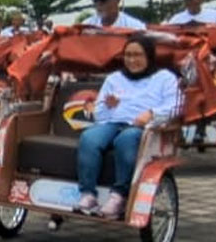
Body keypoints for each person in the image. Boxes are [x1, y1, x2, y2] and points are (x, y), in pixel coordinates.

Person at [76, 35, 180, 218]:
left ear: (149, 56)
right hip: (113, 122)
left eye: (138, 55)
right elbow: (99, 115)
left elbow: (176, 105)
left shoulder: (165, 78)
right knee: (89, 137)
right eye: (128, 55)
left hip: (144, 127)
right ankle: (88, 194)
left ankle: (119, 196)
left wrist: (152, 113)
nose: (132, 60)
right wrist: (108, 106)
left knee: (126, 139)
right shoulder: (114, 78)